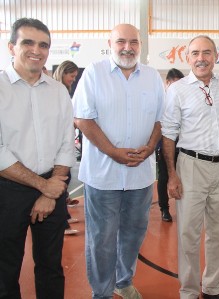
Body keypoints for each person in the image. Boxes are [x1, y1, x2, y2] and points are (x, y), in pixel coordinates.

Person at [72, 23, 164, 299]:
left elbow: (161, 119)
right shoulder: (94, 73)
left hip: (140, 175)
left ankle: (123, 282)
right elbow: (82, 118)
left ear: (140, 45)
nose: (128, 47)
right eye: (121, 42)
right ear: (109, 44)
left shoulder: (152, 77)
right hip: (103, 175)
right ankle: (101, 292)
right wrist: (113, 151)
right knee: (102, 238)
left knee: (133, 234)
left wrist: (150, 147)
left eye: (133, 42)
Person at [0, 17, 75, 298]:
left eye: (44, 44)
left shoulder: (58, 91)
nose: (37, 50)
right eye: (27, 42)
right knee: (6, 269)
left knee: (51, 266)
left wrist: (51, 188)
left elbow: (67, 143)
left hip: (52, 186)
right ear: (11, 47)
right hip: (8, 191)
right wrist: (43, 187)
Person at [162, 35, 219, 299]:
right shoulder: (177, 90)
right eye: (195, 53)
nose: (201, 58)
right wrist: (172, 175)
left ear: (216, 56)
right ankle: (189, 292)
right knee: (188, 234)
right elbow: (169, 133)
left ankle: (213, 288)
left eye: (206, 52)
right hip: (191, 165)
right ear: (187, 57)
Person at [53, 60, 80, 235]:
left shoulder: (62, 90)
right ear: (63, 73)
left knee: (65, 181)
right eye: (72, 75)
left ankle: (64, 216)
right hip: (58, 146)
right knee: (61, 182)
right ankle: (61, 223)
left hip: (64, 144)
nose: (73, 79)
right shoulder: (57, 90)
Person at [157, 68, 185, 222]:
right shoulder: (160, 101)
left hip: (183, 146)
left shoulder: (184, 98)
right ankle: (164, 209)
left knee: (184, 178)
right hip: (165, 146)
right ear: (167, 83)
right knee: (164, 177)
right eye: (174, 83)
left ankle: (184, 207)